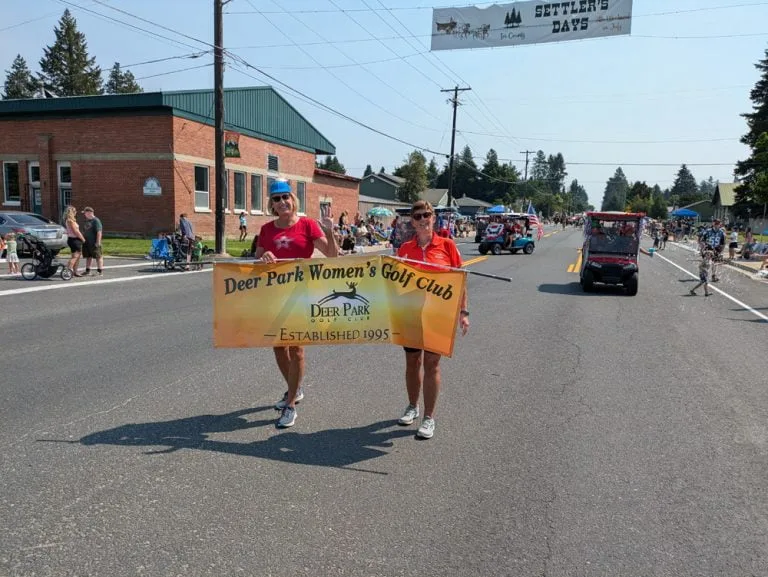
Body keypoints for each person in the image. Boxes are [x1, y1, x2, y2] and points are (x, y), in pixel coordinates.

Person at [255, 179, 338, 428]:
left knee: (297, 348)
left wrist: (331, 232)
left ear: (293, 199)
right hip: (275, 295)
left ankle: (290, 403)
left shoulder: (308, 225)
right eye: (276, 199)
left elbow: (332, 256)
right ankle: (295, 389)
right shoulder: (267, 229)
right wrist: (263, 257)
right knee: (280, 348)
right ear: (271, 204)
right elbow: (255, 260)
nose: (282, 203)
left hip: (303, 294)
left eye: (285, 197)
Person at [395, 200, 469, 440]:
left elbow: (460, 280)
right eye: (417, 216)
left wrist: (463, 312)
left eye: (426, 214)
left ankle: (428, 417)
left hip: (439, 314)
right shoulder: (404, 248)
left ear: (433, 217)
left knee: (431, 365)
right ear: (412, 221)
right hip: (411, 314)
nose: (422, 219)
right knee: (412, 362)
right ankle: (412, 406)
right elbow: (394, 283)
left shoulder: (447, 245)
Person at [63, 206, 86, 277]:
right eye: (75, 211)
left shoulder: (70, 220)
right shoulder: (70, 221)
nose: (76, 212)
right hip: (74, 240)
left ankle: (75, 271)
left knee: (77, 256)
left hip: (72, 240)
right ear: (71, 212)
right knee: (75, 256)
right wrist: (83, 239)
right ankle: (68, 271)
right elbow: (76, 231)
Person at [81, 207, 103, 276]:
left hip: (94, 242)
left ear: (89, 212)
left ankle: (99, 271)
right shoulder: (87, 221)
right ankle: (88, 270)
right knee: (88, 256)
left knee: (98, 256)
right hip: (87, 242)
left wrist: (98, 242)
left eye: (85, 213)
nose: (84, 214)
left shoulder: (96, 221)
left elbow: (99, 232)